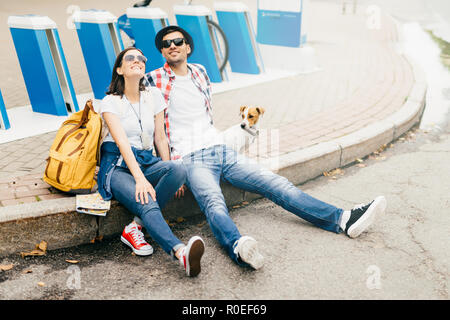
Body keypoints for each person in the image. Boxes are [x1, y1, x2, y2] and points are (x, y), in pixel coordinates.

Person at [126, 26, 387, 270]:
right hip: (191, 159)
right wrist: (170, 167)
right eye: (165, 44)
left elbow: (206, 116)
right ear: (161, 52)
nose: (172, 45)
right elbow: (145, 118)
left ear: (187, 47)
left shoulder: (200, 73)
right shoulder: (153, 79)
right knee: (214, 203)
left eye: (177, 41)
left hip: (222, 149)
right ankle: (238, 246)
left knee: (277, 183)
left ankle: (343, 219)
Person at [97, 47, 204, 277]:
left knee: (178, 169)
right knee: (146, 197)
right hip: (118, 164)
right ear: (120, 69)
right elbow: (123, 143)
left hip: (146, 159)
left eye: (141, 58)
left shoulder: (153, 95)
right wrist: (140, 179)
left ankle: (134, 227)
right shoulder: (109, 102)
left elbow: (160, 137)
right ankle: (180, 251)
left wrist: (171, 174)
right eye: (130, 58)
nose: (137, 60)